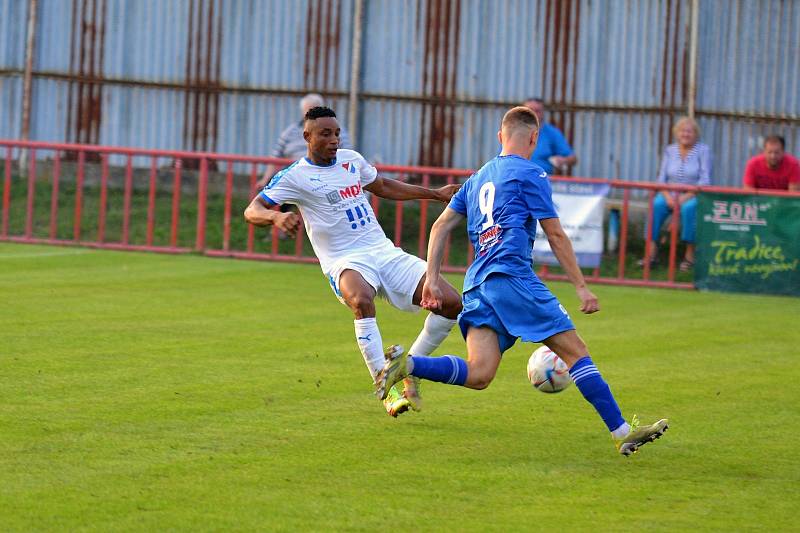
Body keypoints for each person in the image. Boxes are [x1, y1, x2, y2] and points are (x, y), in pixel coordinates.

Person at [376, 106, 668, 456]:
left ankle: (409, 365)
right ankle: (621, 431)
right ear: (533, 138)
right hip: (512, 277)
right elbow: (556, 235)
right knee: (576, 352)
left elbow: (440, 226)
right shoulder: (532, 173)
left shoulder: (478, 177)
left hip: (478, 284)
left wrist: (434, 280)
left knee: (480, 374)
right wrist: (580, 286)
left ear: (501, 136)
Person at [244, 106, 462, 417]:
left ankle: (409, 368)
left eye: (336, 133)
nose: (334, 140)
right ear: (307, 137)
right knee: (361, 299)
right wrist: (275, 216)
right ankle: (384, 389)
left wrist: (435, 194)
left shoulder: (351, 160)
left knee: (452, 303)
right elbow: (252, 209)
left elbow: (384, 187)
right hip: (344, 260)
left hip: (383, 251)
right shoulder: (295, 176)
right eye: (325, 134)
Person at [641, 116, 712, 272]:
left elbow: (705, 180)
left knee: (689, 209)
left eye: (690, 131)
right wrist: (667, 196)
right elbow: (661, 178)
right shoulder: (670, 150)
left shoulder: (703, 150)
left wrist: (684, 198)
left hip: (692, 194)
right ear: (676, 133)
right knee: (656, 205)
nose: (685, 134)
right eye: (682, 131)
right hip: (669, 194)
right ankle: (651, 255)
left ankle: (689, 256)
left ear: (696, 134)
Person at [256, 93, 353, 189]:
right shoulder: (290, 132)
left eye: (316, 110)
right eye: (309, 111)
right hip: (295, 175)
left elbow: (348, 155)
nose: (314, 115)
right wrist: (265, 179)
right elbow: (275, 157)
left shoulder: (337, 130)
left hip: (326, 173)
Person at [522, 98, 577, 174]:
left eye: (537, 111)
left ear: (543, 113)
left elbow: (573, 159)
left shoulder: (552, 133)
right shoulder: (513, 131)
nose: (533, 114)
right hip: (517, 179)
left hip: (542, 180)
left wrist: (562, 160)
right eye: (529, 110)